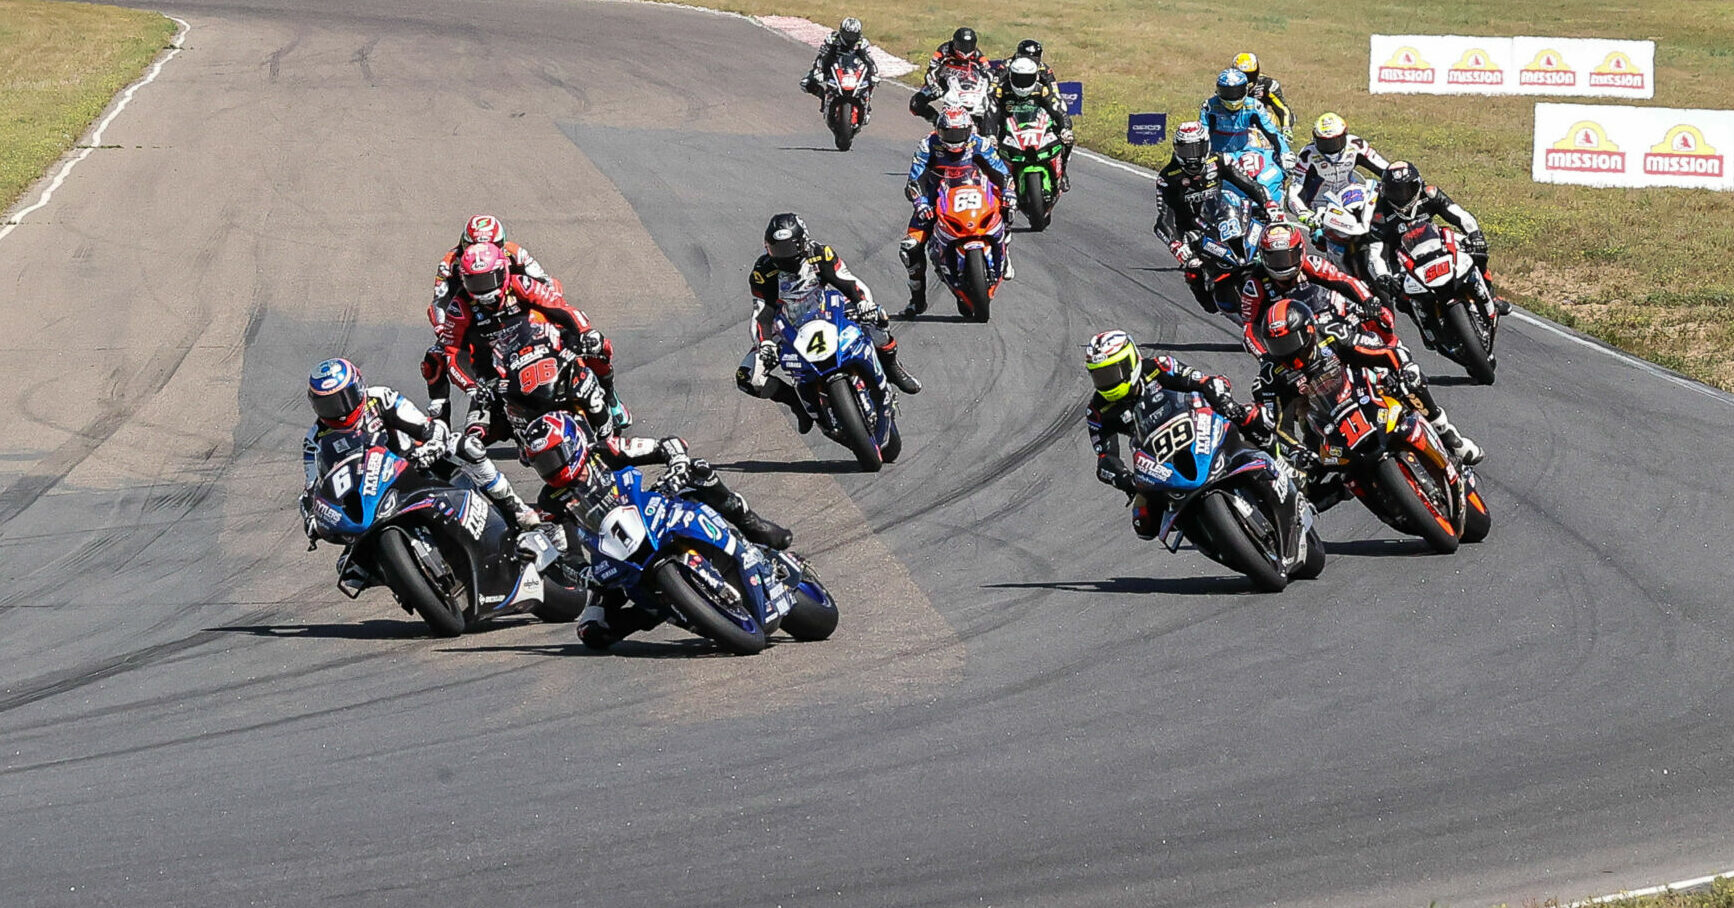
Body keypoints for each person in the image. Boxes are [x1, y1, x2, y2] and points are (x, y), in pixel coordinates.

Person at [518, 411, 794, 649]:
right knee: (592, 632)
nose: (550, 468)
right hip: (611, 556)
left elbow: (668, 445)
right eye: (542, 463)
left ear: (573, 444)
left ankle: (751, 523)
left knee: (700, 472)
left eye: (554, 457)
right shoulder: (550, 501)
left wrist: (676, 464)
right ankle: (662, 608)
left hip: (650, 514)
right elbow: (569, 551)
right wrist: (559, 564)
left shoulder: (606, 451)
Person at [300, 358, 541, 536]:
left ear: (359, 388)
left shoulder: (380, 398)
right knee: (350, 567)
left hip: (412, 465)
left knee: (468, 447)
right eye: (328, 405)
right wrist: (313, 519)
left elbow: (426, 426)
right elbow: (312, 490)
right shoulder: (315, 441)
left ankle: (514, 508)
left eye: (343, 399)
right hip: (368, 499)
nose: (339, 411)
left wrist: (432, 445)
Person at [740, 213, 922, 435]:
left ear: (803, 241)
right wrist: (764, 343)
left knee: (878, 317)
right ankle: (797, 403)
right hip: (786, 324)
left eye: (788, 249)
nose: (782, 256)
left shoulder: (820, 254)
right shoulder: (762, 272)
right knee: (748, 378)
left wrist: (864, 304)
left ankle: (892, 365)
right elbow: (762, 313)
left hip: (827, 308)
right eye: (776, 249)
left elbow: (849, 282)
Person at [1251, 297, 1483, 469]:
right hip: (1320, 416)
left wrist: (1403, 368)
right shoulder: (1272, 372)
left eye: (1290, 342)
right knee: (1310, 474)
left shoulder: (1330, 333)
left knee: (1409, 382)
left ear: (1308, 331)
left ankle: (1447, 434)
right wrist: (1297, 451)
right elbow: (1279, 426)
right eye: (1277, 347)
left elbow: (1382, 353)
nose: (1285, 352)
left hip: (1360, 383)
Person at [1084, 330, 1271, 539]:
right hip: (1156, 458)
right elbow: (1105, 459)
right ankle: (1204, 531)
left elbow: (1203, 381)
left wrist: (1222, 399)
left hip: (1194, 426)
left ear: (1129, 362)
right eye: (1098, 376)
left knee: (1254, 419)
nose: (1105, 383)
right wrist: (1126, 480)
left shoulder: (1158, 367)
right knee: (1143, 524)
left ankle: (1283, 461)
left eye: (1111, 373)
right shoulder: (1097, 410)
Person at [436, 243, 630, 442]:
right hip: (499, 373)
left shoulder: (520, 284)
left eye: (487, 280)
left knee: (599, 345)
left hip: (544, 348)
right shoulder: (459, 308)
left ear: (503, 272)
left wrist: (585, 332)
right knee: (475, 433)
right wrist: (474, 386)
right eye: (474, 282)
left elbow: (559, 307)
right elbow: (453, 353)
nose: (483, 289)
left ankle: (609, 396)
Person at [421, 215, 552, 422]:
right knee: (434, 359)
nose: (480, 254)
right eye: (473, 246)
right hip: (472, 317)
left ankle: (601, 391)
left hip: (515, 312)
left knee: (568, 332)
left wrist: (541, 310)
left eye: (490, 246)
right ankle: (439, 427)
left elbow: (546, 283)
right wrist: (443, 329)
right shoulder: (450, 263)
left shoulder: (515, 253)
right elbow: (439, 301)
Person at [1151, 121, 1283, 311]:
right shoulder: (1168, 177)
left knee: (1269, 228)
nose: (1193, 156)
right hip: (1192, 231)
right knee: (1195, 268)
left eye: (1197, 148)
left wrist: (1269, 204)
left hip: (1223, 218)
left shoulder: (1220, 161)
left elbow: (1251, 185)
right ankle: (1207, 293)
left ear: (1207, 145)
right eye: (1187, 150)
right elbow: (1164, 219)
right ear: (1177, 150)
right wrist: (1176, 245)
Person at [899, 107, 1017, 318]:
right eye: (948, 134)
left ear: (969, 130)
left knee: (1008, 207)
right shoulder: (928, 145)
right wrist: (920, 203)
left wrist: (1008, 191)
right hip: (936, 196)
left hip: (976, 191)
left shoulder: (979, 143)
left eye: (959, 133)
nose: (954, 139)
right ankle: (917, 300)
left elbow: (1000, 171)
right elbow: (915, 179)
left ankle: (1004, 247)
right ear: (939, 131)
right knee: (910, 248)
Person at [1365, 161, 1509, 316]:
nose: (1401, 197)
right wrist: (1383, 276)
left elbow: (1458, 214)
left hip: (1434, 242)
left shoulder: (1429, 194)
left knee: (1479, 254)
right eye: (1395, 192)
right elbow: (1376, 252)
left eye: (1406, 190)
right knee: (1402, 299)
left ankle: (1490, 294)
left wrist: (1475, 235)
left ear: (1417, 185)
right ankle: (1427, 327)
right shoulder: (1380, 214)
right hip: (1401, 259)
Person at [1239, 222, 1393, 351]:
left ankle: (1394, 352)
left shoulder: (1312, 264)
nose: (1282, 265)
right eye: (1275, 259)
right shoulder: (1254, 285)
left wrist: (1368, 300)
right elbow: (1250, 328)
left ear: (1300, 251)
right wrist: (1264, 355)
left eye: (1287, 257)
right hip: (1292, 342)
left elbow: (1345, 281)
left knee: (1382, 318)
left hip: (1328, 322)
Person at [1284, 113, 1391, 224]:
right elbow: (1294, 192)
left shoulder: (1356, 145)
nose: (1331, 147)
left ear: (1345, 134)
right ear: (1315, 139)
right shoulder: (1307, 155)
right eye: (1325, 143)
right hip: (1319, 208)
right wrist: (1304, 214)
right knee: (1319, 236)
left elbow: (1386, 169)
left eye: (1335, 142)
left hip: (1350, 199)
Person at [993, 57, 1076, 191]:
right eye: (1019, 78)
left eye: (1026, 79)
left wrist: (1065, 128)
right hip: (1010, 128)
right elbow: (992, 113)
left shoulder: (1041, 90)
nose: (1022, 83)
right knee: (989, 149)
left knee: (1066, 140)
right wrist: (989, 134)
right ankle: (1000, 182)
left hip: (1037, 127)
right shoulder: (1003, 91)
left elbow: (1057, 110)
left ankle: (1063, 171)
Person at [1200, 69, 1292, 166]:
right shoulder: (1210, 107)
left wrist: (1285, 152)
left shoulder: (1254, 106)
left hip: (1244, 153)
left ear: (1245, 90)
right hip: (1216, 155)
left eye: (1237, 92)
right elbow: (1204, 134)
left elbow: (1271, 131)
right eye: (1227, 92)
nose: (1233, 96)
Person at [800, 17, 879, 122]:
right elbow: (822, 57)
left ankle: (867, 106)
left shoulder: (862, 43)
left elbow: (869, 60)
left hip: (854, 70)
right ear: (841, 31)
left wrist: (874, 74)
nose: (850, 38)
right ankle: (823, 96)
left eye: (853, 35)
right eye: (848, 35)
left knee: (872, 81)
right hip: (832, 67)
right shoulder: (832, 39)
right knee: (805, 84)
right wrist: (819, 70)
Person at [910, 27, 992, 122]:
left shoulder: (977, 54)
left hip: (967, 85)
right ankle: (937, 121)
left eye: (970, 45)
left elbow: (988, 72)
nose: (966, 49)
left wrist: (990, 88)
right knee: (916, 104)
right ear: (954, 42)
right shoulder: (944, 50)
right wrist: (934, 86)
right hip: (943, 83)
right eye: (962, 45)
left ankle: (983, 129)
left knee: (985, 105)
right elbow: (930, 72)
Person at [1231, 52, 1294, 137]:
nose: (1246, 79)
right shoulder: (1228, 84)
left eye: (1250, 75)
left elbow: (1283, 109)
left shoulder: (1267, 84)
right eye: (1242, 74)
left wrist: (1286, 128)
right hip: (1232, 126)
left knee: (1270, 117)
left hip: (1260, 127)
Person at [992, 38, 1058, 88]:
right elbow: (994, 84)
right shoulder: (1007, 65)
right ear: (1018, 55)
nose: (1030, 61)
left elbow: (1053, 88)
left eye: (1034, 58)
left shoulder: (1044, 69)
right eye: (1026, 57)